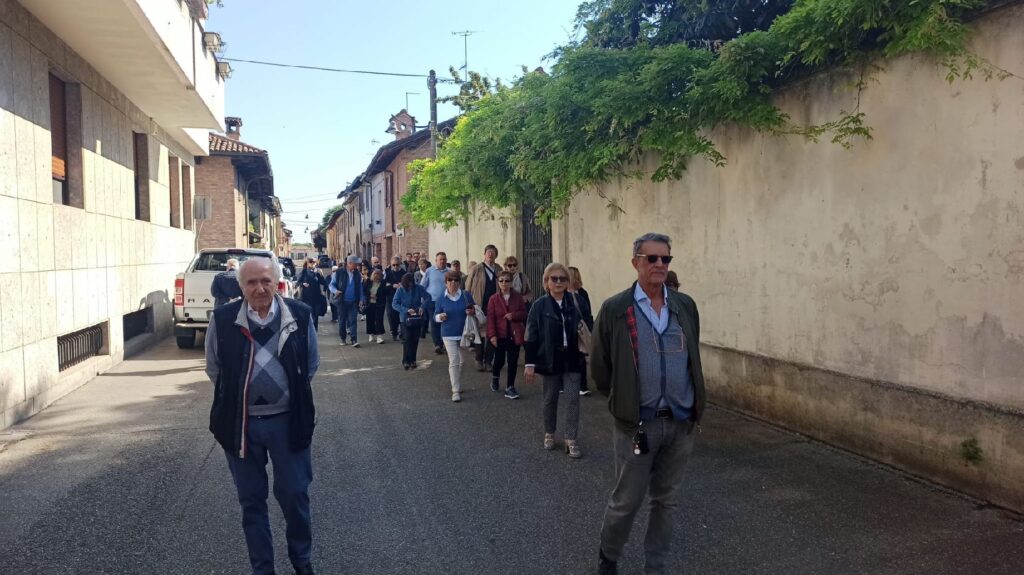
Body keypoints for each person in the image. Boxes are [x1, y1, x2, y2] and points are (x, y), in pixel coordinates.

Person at [593, 233, 706, 575]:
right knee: (626, 501)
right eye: (651, 258)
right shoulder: (616, 309)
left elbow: (692, 356)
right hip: (638, 426)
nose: (659, 264)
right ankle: (608, 557)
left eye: (665, 259)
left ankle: (655, 567)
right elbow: (600, 368)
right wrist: (624, 401)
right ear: (636, 263)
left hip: (680, 424)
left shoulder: (684, 306)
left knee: (666, 503)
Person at [204, 257, 319, 575]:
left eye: (266, 281)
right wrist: (242, 398)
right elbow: (215, 369)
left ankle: (301, 560)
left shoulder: (299, 314)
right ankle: (263, 568)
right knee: (252, 501)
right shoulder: (223, 319)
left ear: (277, 282)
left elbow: (310, 364)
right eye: (252, 282)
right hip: (240, 425)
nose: (259, 288)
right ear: (241, 286)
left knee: (295, 495)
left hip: (288, 422)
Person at [524, 262, 585, 459]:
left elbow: (589, 323)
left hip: (573, 357)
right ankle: (549, 433)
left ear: (568, 282)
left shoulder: (576, 301)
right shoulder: (539, 305)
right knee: (550, 399)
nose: (558, 282)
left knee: (573, 400)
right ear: (546, 282)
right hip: (550, 359)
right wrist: (530, 364)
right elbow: (531, 336)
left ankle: (571, 439)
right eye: (554, 278)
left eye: (563, 278)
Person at [434, 270, 476, 402]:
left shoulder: (466, 295)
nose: (453, 283)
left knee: (462, 362)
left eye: (456, 280)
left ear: (459, 282)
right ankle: (455, 390)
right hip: (448, 333)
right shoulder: (441, 298)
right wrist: (440, 316)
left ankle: (456, 381)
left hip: (464, 333)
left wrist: (471, 311)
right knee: (454, 361)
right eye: (450, 280)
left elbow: (474, 308)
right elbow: (435, 316)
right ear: (445, 283)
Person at [486, 270, 527, 399]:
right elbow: (490, 319)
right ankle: (495, 376)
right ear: (498, 283)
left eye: (507, 280)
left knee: (513, 361)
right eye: (501, 280)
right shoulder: (493, 299)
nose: (504, 283)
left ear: (511, 283)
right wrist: (492, 335)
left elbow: (524, 313)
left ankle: (510, 387)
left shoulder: (518, 297)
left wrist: (514, 315)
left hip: (514, 334)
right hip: (500, 334)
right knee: (499, 360)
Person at [466, 245, 500, 371]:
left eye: (493, 252)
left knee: (492, 333)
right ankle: (479, 359)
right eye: (488, 252)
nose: (490, 254)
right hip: (479, 305)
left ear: (496, 255)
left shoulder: (498, 269)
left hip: (494, 306)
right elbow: (468, 287)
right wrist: (469, 305)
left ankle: (489, 360)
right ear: (484, 254)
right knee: (479, 334)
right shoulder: (477, 268)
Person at [392, 273, 431, 369]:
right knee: (407, 339)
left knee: (415, 339)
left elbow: (428, 297)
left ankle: (413, 360)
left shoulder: (419, 288)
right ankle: (406, 360)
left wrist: (422, 307)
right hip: (405, 318)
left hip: (417, 317)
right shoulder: (400, 290)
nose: (410, 285)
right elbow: (394, 304)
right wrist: (406, 310)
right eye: (408, 283)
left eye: (411, 283)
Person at [567, 266, 594, 396]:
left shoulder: (582, 293)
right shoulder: (562, 292)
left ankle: (582, 385)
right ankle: (566, 383)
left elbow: (587, 312)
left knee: (580, 356)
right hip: (567, 330)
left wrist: (589, 327)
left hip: (579, 330)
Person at [329, 255, 365, 347]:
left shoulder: (357, 274)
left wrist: (361, 299)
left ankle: (354, 340)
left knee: (353, 320)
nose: (357, 265)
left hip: (353, 301)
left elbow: (360, 288)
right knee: (342, 321)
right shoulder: (339, 272)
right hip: (342, 301)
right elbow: (331, 285)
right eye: (355, 264)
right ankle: (343, 338)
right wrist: (335, 291)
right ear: (349, 263)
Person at [420, 252, 450, 355]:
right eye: (440, 259)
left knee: (445, 321)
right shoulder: (430, 271)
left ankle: (444, 342)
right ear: (436, 261)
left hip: (446, 301)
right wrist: (422, 300)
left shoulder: (449, 272)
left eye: (444, 259)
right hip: (432, 301)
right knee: (434, 322)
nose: (442, 261)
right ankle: (437, 344)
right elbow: (423, 285)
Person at [296, 258, 328, 331]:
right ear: (307, 263)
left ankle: (314, 331)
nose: (312, 264)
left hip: (316, 298)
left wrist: (324, 290)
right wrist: (303, 284)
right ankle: (309, 331)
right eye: (311, 262)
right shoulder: (304, 272)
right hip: (306, 298)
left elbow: (324, 283)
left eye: (314, 262)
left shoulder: (317, 273)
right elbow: (298, 283)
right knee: (310, 315)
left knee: (315, 316)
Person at [362, 269, 387, 344]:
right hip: (370, 303)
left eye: (378, 274)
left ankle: (379, 336)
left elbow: (385, 293)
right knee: (370, 319)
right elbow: (364, 291)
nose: (376, 276)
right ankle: (371, 334)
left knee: (379, 319)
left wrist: (377, 297)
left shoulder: (383, 283)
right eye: (375, 274)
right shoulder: (368, 281)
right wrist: (370, 295)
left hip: (379, 304)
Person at [384, 256, 406, 341]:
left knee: (401, 315)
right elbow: (384, 284)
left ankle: (402, 333)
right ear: (391, 264)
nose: (395, 266)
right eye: (394, 265)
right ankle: (394, 332)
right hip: (390, 297)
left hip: (402, 298)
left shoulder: (404, 273)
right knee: (391, 316)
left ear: (400, 264)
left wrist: (402, 285)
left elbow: (408, 283)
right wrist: (392, 285)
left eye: (397, 264)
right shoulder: (388, 273)